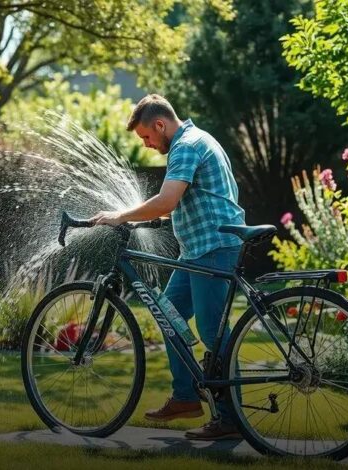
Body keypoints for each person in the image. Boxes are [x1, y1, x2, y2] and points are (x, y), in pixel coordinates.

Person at [88, 94, 246, 440]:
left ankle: (232, 418)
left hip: (213, 247)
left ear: (160, 125)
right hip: (197, 250)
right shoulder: (196, 139)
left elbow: (167, 200)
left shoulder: (186, 145)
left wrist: (119, 216)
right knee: (168, 311)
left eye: (147, 137)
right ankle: (186, 397)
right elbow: (182, 202)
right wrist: (150, 220)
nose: (146, 145)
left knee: (211, 331)